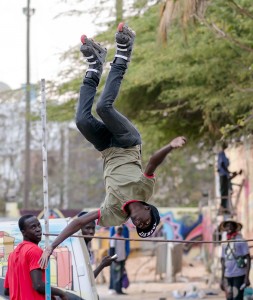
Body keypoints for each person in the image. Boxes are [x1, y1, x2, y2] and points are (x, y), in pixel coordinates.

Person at [39, 22, 186, 268]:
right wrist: (170, 146)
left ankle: (95, 66)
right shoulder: (144, 192)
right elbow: (151, 163)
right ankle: (123, 53)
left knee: (82, 120)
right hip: (127, 142)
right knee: (104, 108)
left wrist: (52, 246)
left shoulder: (114, 215)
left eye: (139, 227)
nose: (139, 223)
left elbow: (77, 222)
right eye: (145, 222)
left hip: (107, 148)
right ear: (149, 210)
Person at [4, 215, 68, 300]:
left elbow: (7, 290)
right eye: (33, 227)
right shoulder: (34, 250)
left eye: (38, 225)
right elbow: (38, 285)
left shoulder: (12, 255)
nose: (38, 229)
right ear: (24, 232)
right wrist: (61, 293)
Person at [78, 211, 116, 278]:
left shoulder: (85, 246)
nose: (91, 232)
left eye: (93, 228)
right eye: (87, 228)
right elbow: (87, 280)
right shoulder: (78, 249)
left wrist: (103, 264)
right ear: (79, 229)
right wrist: (102, 265)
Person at [219, 219, 251, 300]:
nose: (229, 227)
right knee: (229, 298)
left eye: (231, 225)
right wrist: (222, 278)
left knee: (237, 298)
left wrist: (247, 277)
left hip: (239, 275)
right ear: (225, 228)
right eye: (227, 226)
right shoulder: (224, 242)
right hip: (227, 275)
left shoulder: (241, 241)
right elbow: (223, 260)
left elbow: (248, 258)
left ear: (235, 227)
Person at [217, 142, 242, 214]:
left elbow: (229, 176)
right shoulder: (221, 154)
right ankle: (223, 208)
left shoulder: (223, 154)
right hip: (223, 175)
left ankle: (224, 208)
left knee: (226, 192)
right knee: (224, 192)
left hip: (225, 175)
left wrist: (234, 173)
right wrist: (230, 172)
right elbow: (222, 165)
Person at [109, 226, 127, 295]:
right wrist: (113, 259)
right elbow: (112, 249)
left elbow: (123, 248)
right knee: (116, 276)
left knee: (121, 275)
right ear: (116, 230)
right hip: (117, 260)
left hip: (122, 259)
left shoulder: (122, 237)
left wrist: (125, 258)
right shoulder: (113, 238)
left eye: (121, 229)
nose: (120, 231)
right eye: (119, 229)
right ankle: (116, 289)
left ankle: (120, 289)